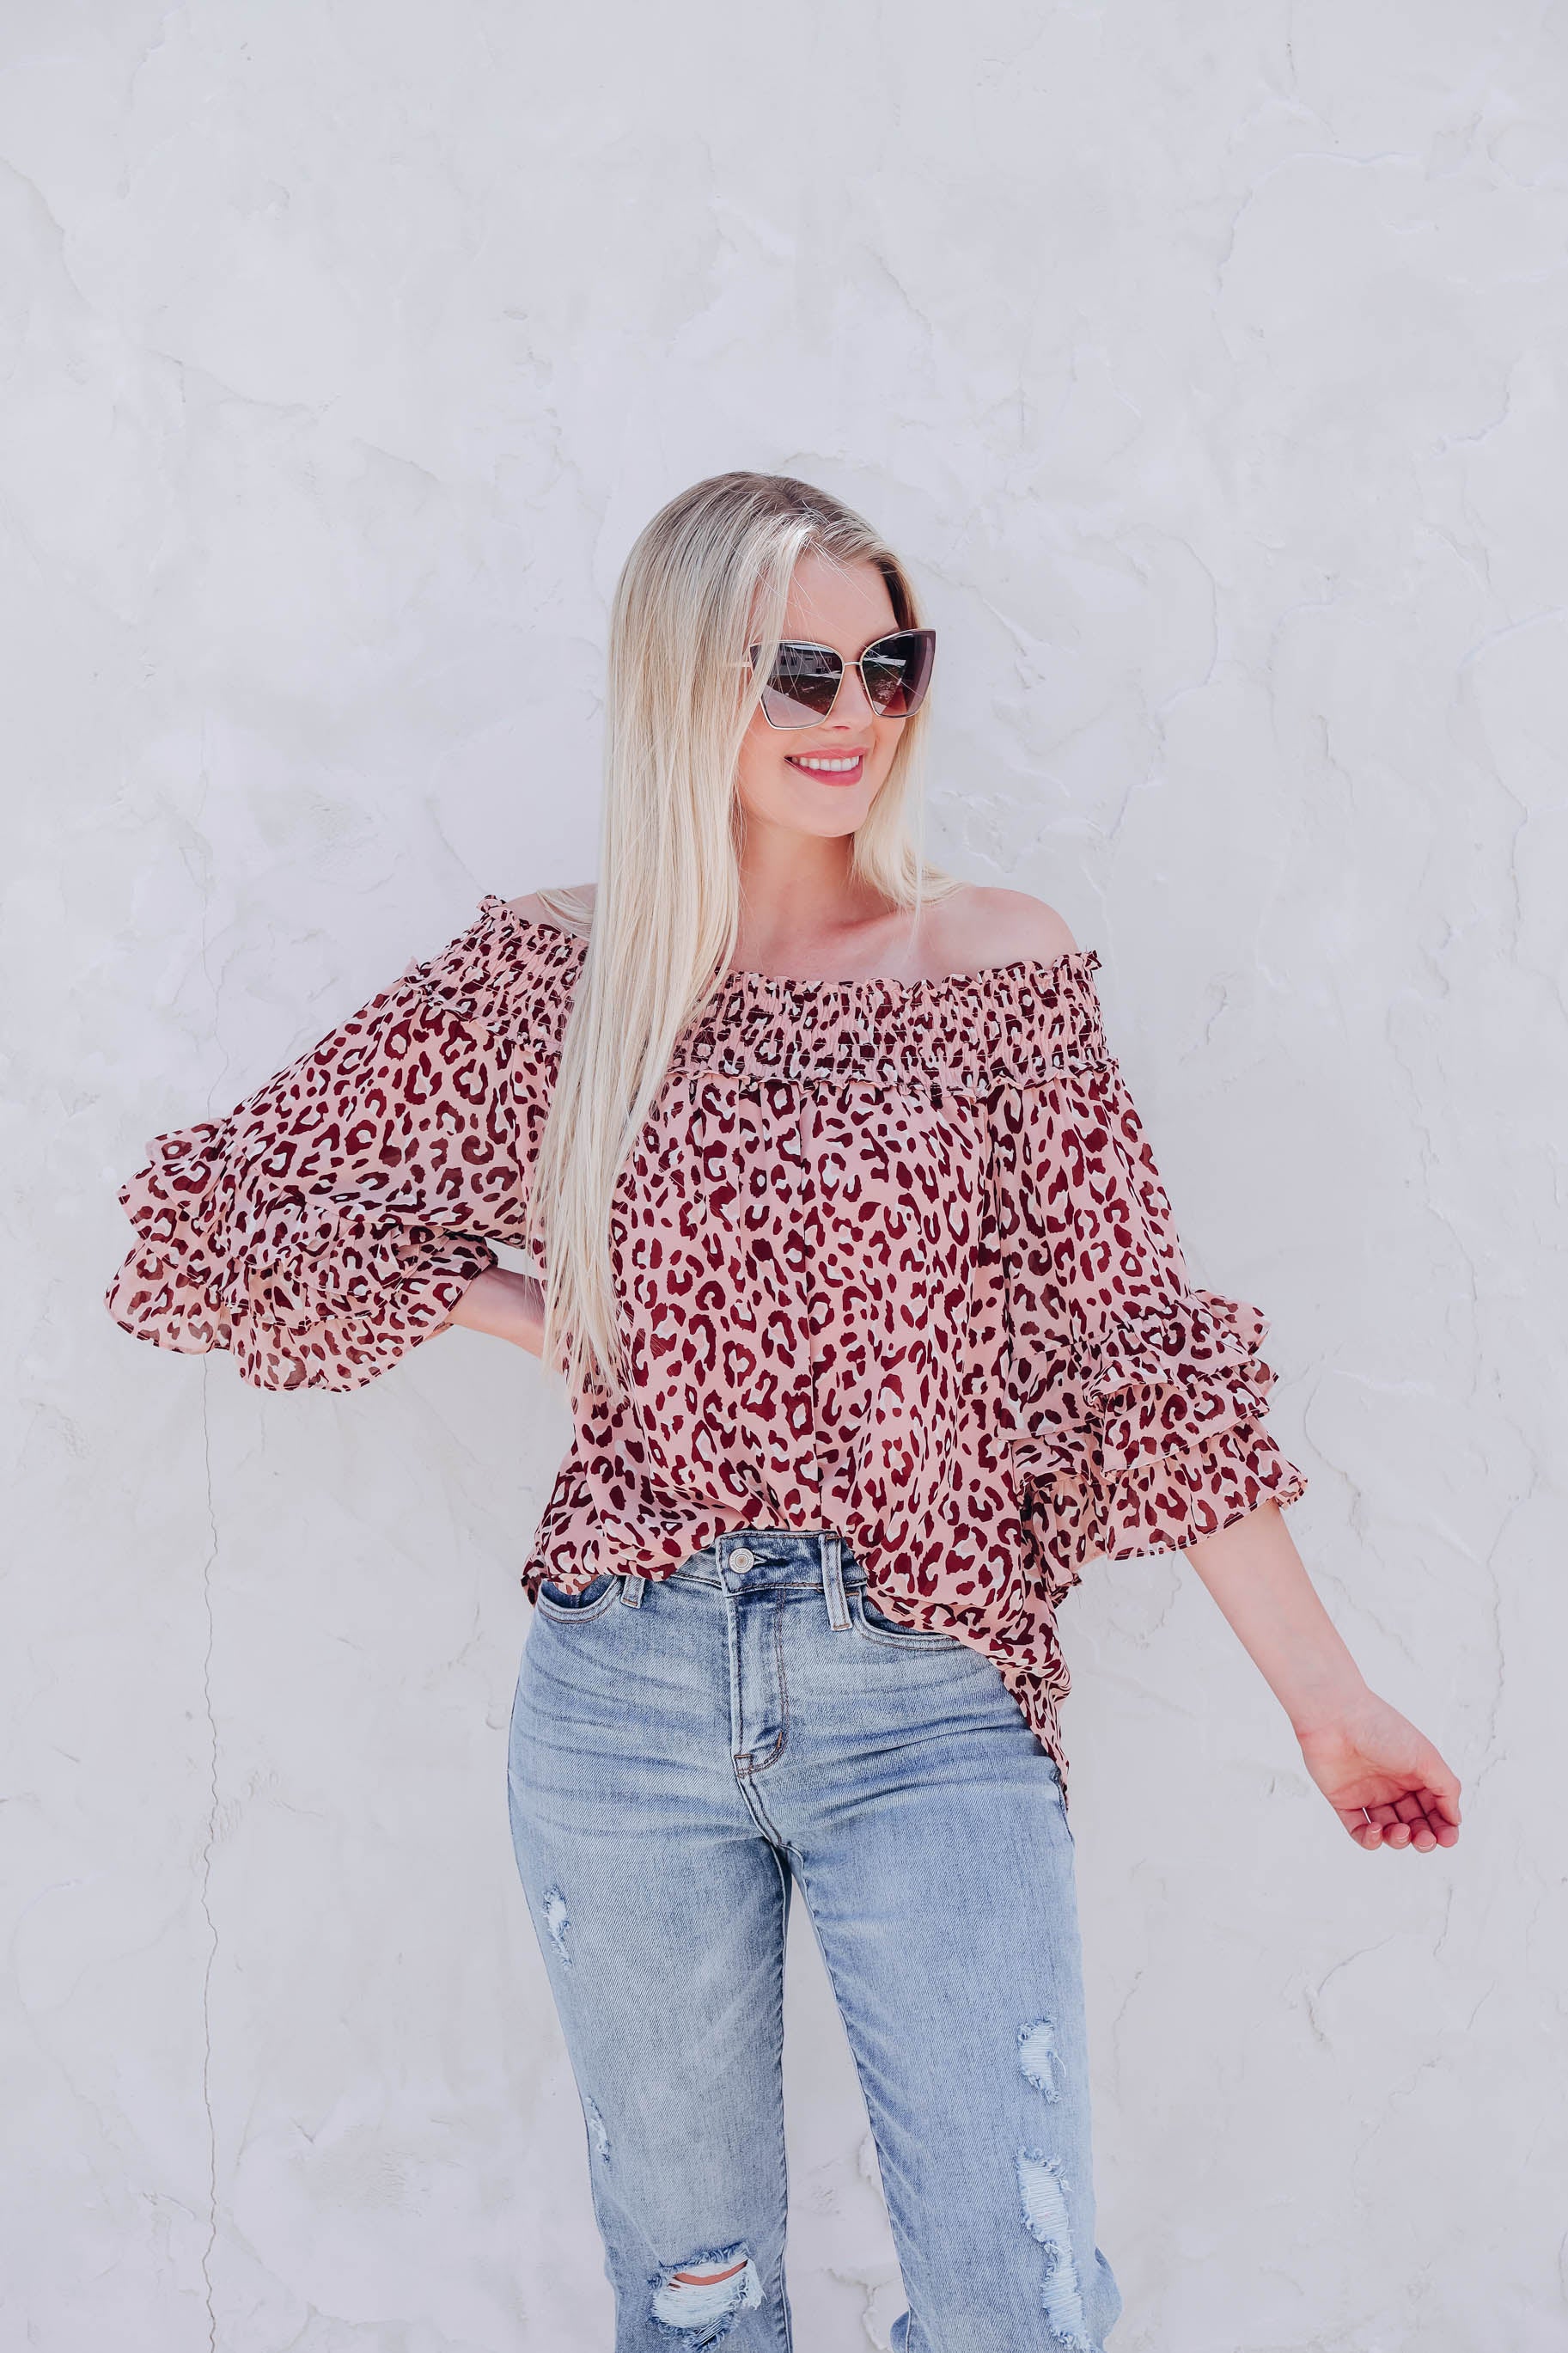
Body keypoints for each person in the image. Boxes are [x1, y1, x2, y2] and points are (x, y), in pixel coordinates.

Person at [107, 470, 1462, 2352]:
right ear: (680, 679)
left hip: (928, 1685)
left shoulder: (990, 968)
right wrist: (516, 1303)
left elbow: (1142, 1358)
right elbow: (201, 1223)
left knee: (1013, 2303)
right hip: (621, 1692)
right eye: (796, 671)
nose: (852, 714)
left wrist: (1326, 1700)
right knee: (695, 2300)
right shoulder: (561, 983)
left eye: (887, 666)